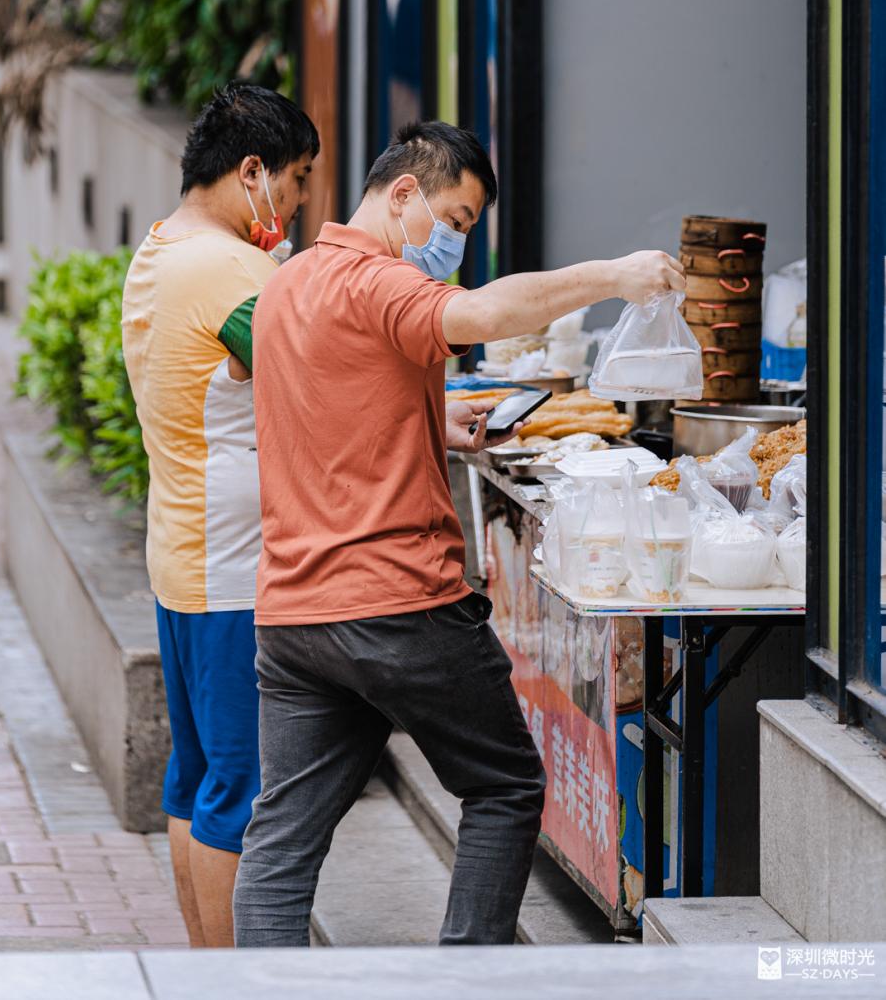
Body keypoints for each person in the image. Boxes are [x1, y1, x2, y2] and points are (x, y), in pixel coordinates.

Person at [233, 120, 685, 947]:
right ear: (403, 193)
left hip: (294, 615)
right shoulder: (383, 285)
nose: (456, 240)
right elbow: (476, 314)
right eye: (458, 219)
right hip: (399, 603)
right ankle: (467, 979)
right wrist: (613, 275)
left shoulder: (287, 286)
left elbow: (326, 409)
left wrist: (436, 423)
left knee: (282, 842)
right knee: (507, 784)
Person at [121, 86, 500, 948]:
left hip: (179, 549)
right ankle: (236, 981)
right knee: (236, 791)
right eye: (294, 180)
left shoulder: (164, 246)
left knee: (194, 783)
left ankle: (207, 970)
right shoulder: (230, 269)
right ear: (250, 172)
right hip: (234, 563)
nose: (297, 200)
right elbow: (323, 370)